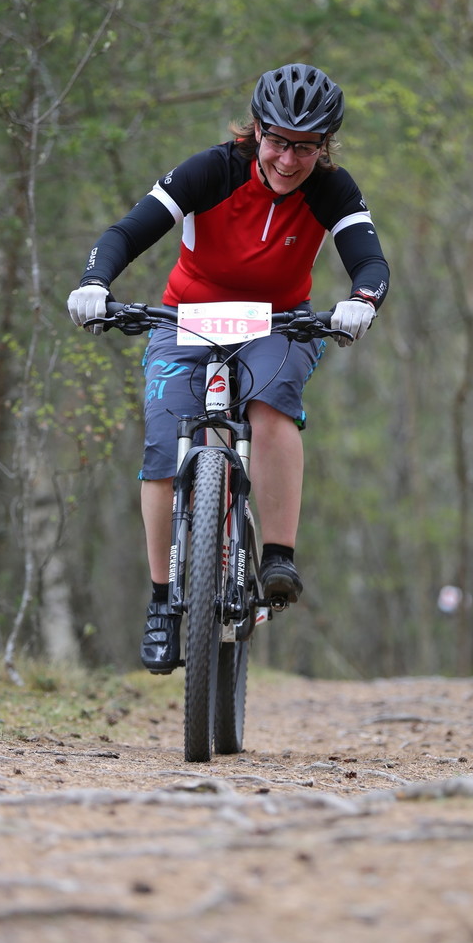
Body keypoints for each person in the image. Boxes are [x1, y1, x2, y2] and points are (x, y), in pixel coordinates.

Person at [67, 63, 390, 673]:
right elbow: (127, 232)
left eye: (305, 147)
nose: (289, 160)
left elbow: (369, 261)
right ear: (256, 130)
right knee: (165, 447)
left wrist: (360, 302)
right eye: (277, 141)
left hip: (279, 323)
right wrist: (94, 283)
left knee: (271, 408)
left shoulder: (333, 190)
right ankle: (164, 600)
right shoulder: (210, 170)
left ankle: (277, 556)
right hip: (188, 316)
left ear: (324, 147)